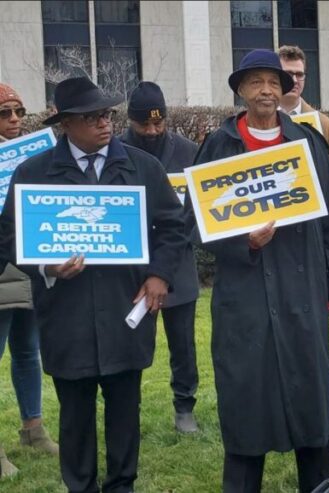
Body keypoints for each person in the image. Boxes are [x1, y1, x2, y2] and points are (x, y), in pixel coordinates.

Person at [0, 76, 186, 492]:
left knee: (125, 411)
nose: (104, 123)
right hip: (67, 317)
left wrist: (159, 275)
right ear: (66, 124)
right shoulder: (33, 174)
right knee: (75, 415)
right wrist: (46, 267)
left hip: (125, 311)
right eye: (91, 117)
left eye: (106, 114)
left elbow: (174, 228)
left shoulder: (143, 167)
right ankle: (79, 485)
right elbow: (10, 239)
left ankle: (122, 484)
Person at [185, 49, 329, 492]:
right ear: (240, 89)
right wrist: (243, 244)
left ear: (285, 89)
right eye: (256, 81)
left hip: (302, 291)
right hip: (244, 297)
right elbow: (196, 221)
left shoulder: (308, 142)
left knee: (311, 407)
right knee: (246, 405)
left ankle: (320, 485)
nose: (266, 90)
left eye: (273, 82)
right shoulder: (218, 145)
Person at [119, 81, 202, 433]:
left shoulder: (189, 151)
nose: (152, 131)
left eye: (159, 123)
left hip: (178, 261)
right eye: (144, 125)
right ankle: (128, 407)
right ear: (130, 121)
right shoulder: (115, 151)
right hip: (130, 267)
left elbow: (201, 209)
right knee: (130, 343)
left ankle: (185, 407)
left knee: (183, 344)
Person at [0, 83, 59, 479]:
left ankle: (33, 429)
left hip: (28, 263)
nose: (16, 120)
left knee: (27, 350)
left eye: (19, 111)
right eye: (5, 113)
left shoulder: (35, 154)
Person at [278, 45, 329, 199]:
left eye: (299, 74)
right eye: (288, 74)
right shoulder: (259, 122)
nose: (294, 80)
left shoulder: (322, 123)